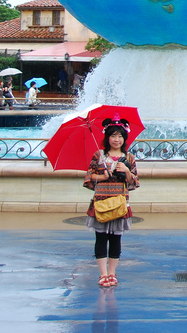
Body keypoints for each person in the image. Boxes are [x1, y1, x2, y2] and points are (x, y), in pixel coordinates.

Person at [83, 117, 139, 288]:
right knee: (101, 238)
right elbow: (88, 178)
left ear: (124, 138)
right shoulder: (99, 156)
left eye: (120, 136)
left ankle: (113, 273)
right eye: (113, 136)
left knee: (115, 239)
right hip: (101, 202)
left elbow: (135, 182)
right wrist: (102, 176)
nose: (117, 139)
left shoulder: (128, 158)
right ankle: (103, 274)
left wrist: (127, 172)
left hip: (120, 203)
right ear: (107, 137)